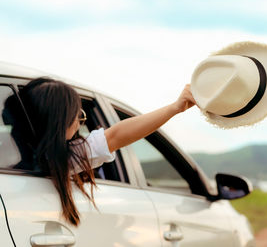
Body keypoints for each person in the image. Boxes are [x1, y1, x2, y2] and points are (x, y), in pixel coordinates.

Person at [7, 77, 196, 226]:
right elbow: (115, 136)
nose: (79, 122)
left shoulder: (16, 160)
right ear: (60, 121)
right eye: (78, 115)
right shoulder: (58, 160)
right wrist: (175, 107)